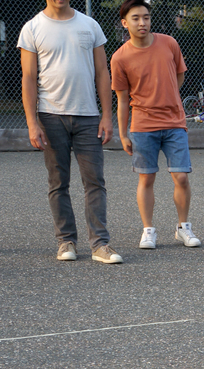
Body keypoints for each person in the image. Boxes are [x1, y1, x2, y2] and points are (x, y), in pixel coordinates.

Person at [18, 0, 123, 264]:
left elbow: (102, 71)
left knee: (95, 181)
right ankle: (66, 241)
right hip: (50, 116)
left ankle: (100, 245)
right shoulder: (32, 28)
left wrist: (107, 116)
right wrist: (32, 122)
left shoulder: (90, 25)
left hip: (88, 116)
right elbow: (28, 78)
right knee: (58, 182)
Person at [111, 0, 201, 251]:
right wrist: (123, 133)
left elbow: (179, 75)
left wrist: (168, 97)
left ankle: (183, 228)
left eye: (146, 17)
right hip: (142, 126)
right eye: (136, 18)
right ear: (125, 22)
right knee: (146, 178)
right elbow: (122, 99)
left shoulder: (169, 43)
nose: (142, 23)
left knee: (181, 177)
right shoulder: (120, 57)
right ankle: (148, 230)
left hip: (175, 123)